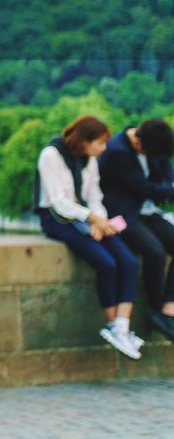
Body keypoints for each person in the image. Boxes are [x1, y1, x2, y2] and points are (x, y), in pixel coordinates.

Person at [34, 115, 142, 358]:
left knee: (129, 262)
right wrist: (92, 218)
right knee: (106, 263)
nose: (103, 149)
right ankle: (112, 325)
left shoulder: (89, 160)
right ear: (85, 140)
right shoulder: (51, 155)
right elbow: (58, 201)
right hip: (57, 218)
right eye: (100, 143)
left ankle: (122, 327)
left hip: (87, 217)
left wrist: (99, 221)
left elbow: (95, 195)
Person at [99, 119, 174, 341]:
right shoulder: (116, 152)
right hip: (120, 214)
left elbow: (164, 164)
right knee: (154, 251)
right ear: (139, 143)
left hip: (146, 211)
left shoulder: (153, 141)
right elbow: (144, 188)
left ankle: (169, 308)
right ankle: (156, 307)